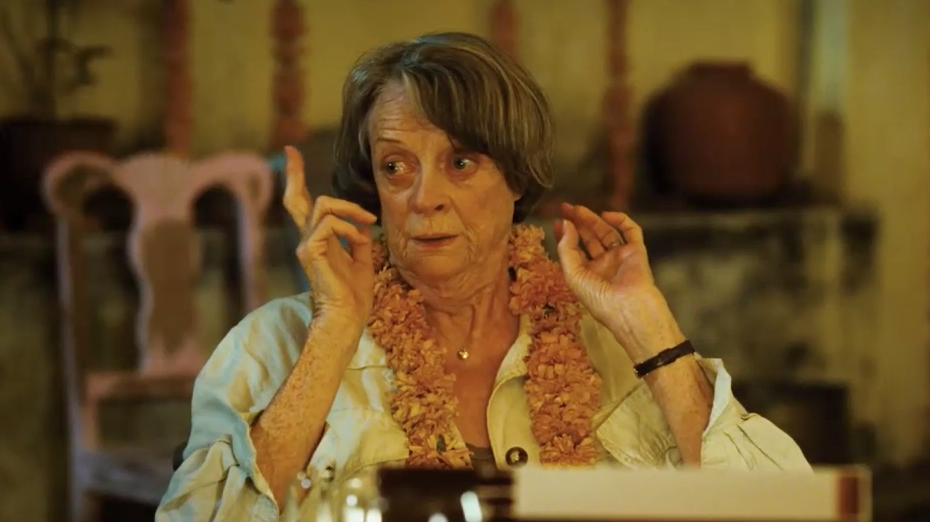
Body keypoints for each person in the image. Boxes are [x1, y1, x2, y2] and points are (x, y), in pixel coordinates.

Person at [156, 32, 810, 521]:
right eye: (395, 167)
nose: (423, 199)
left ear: (517, 176)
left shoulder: (609, 349)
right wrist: (333, 332)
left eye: (460, 162)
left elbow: (781, 509)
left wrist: (649, 327)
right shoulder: (273, 345)